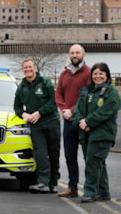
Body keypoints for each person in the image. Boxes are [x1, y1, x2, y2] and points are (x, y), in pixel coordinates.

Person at [73, 62, 120, 203]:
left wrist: (88, 122)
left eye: (101, 73)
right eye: (95, 74)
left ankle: (90, 192)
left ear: (107, 75)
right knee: (97, 162)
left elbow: (105, 112)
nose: (98, 76)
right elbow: (78, 110)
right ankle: (104, 192)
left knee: (93, 163)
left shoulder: (111, 92)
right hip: (87, 134)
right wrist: (81, 121)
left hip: (102, 134)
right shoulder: (86, 91)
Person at [14, 58, 61, 193]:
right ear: (23, 70)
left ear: (35, 68)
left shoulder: (45, 82)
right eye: (25, 68)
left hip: (51, 122)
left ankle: (53, 183)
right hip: (35, 125)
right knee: (40, 153)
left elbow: (54, 100)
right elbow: (17, 106)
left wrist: (40, 112)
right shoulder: (21, 87)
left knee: (54, 153)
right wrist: (24, 115)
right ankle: (42, 182)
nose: (28, 69)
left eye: (30, 67)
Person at [55, 44, 91, 197]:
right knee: (70, 155)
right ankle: (73, 187)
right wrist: (65, 110)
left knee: (88, 156)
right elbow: (58, 94)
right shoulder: (64, 73)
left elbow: (86, 95)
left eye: (77, 52)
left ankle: (90, 189)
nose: (75, 55)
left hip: (83, 120)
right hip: (68, 120)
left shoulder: (89, 72)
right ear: (69, 55)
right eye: (72, 53)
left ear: (84, 54)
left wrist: (72, 110)